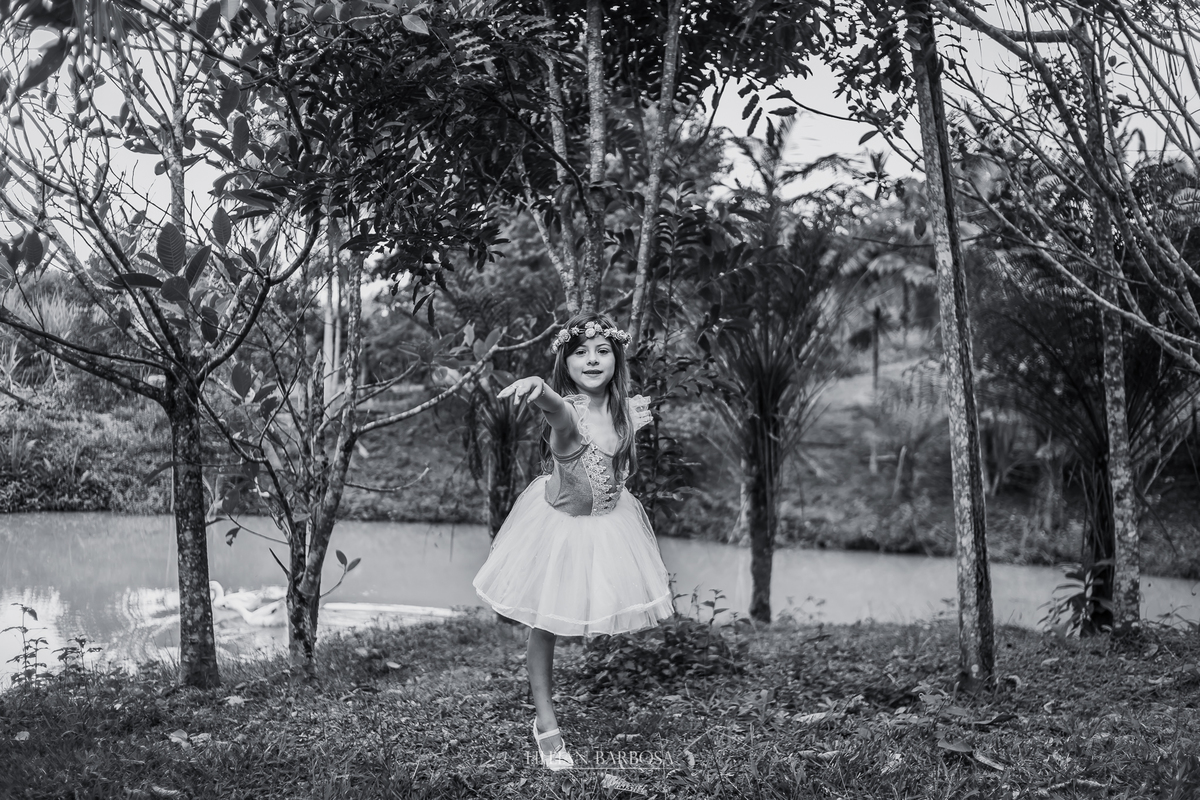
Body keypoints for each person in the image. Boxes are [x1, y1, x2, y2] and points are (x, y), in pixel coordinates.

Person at [472, 312, 675, 772]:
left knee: (571, 619)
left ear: (616, 359)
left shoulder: (627, 412)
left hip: (608, 524)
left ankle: (547, 719)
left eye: (602, 350)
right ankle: (547, 726)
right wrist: (538, 387)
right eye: (581, 351)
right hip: (559, 527)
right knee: (546, 626)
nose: (592, 359)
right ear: (566, 361)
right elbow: (556, 411)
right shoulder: (569, 415)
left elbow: (620, 466)